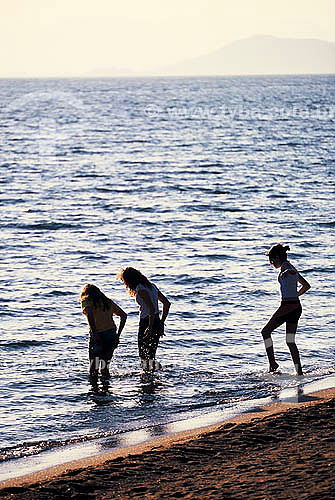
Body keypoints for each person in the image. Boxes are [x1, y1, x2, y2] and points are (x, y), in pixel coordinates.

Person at [261, 244, 311, 375]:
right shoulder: (290, 266)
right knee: (290, 341)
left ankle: (273, 364)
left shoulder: (287, 267)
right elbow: (306, 286)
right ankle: (299, 371)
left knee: (265, 332)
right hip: (296, 307)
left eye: (271, 260)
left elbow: (290, 272)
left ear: (277, 258)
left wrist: (286, 272)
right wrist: (296, 295)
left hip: (288, 307)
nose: (271, 263)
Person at [118, 267, 170, 371]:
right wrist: (161, 323)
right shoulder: (152, 286)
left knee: (143, 355)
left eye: (125, 281)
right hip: (155, 321)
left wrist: (149, 328)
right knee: (151, 354)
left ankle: (148, 381)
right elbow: (166, 303)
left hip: (146, 323)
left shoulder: (140, 289)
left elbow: (151, 309)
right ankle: (152, 380)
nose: (125, 284)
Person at [80, 284, 127, 379]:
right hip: (111, 334)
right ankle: (106, 390)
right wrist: (118, 335)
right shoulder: (108, 302)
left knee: (94, 368)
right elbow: (123, 315)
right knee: (105, 367)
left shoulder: (87, 301)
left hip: (98, 335)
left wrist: (95, 333)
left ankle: (94, 391)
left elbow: (90, 316)